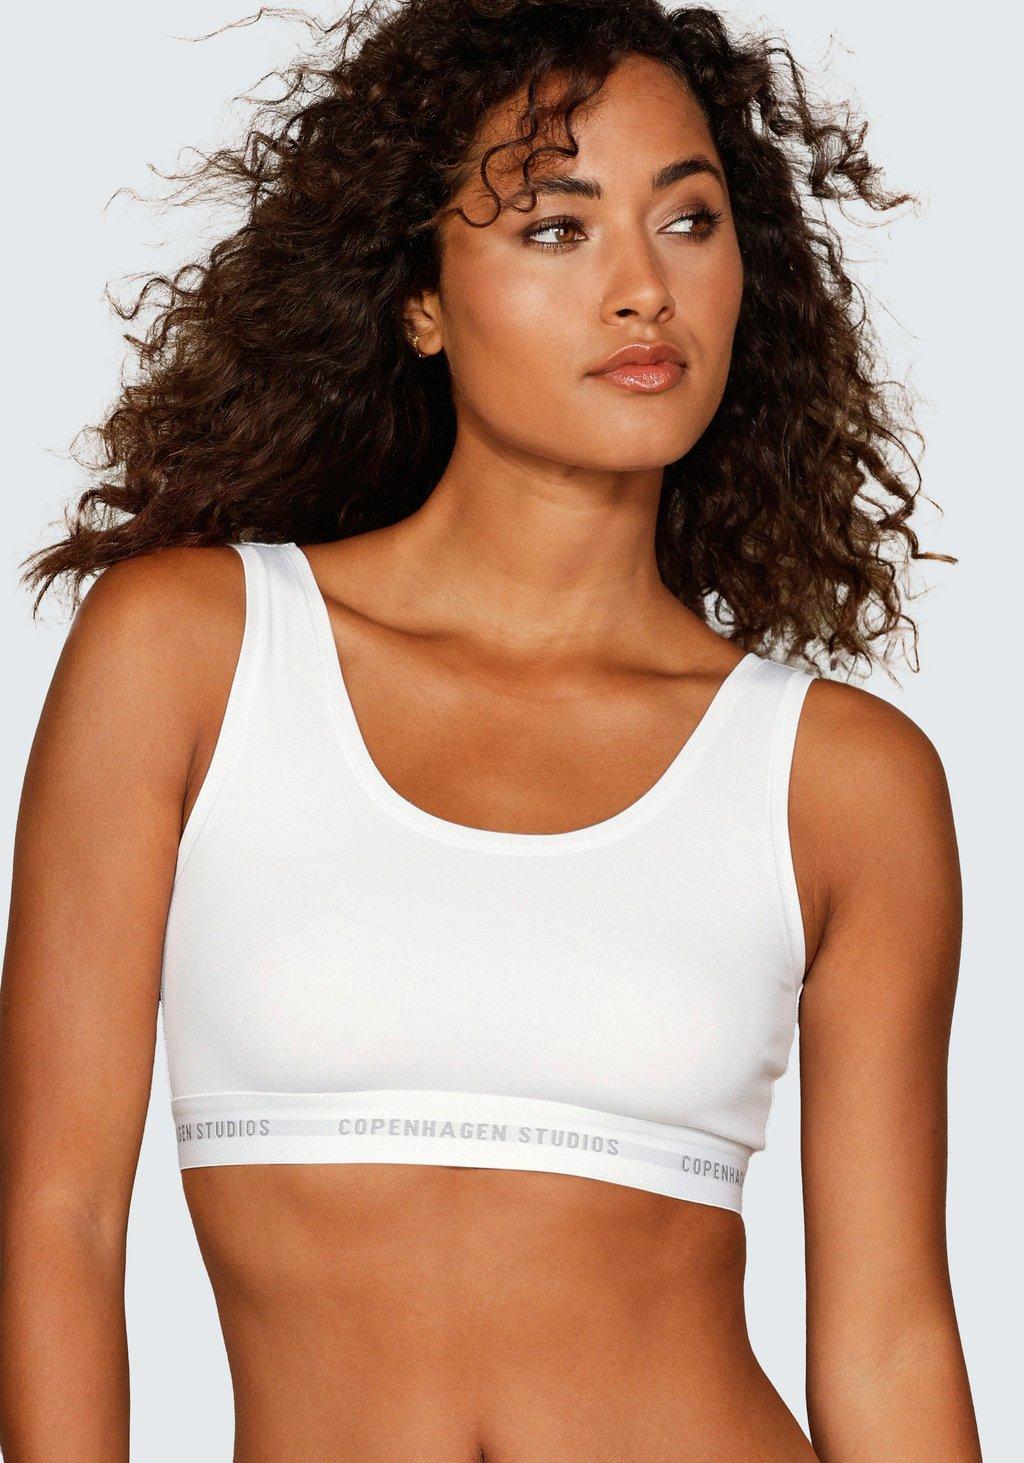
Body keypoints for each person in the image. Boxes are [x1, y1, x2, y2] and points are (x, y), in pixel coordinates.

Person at [0, 1, 981, 1458]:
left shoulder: (840, 779)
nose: (644, 291)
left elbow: (890, 1339)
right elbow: (60, 1217)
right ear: (420, 300)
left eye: (690, 221)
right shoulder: (194, 653)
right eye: (556, 228)